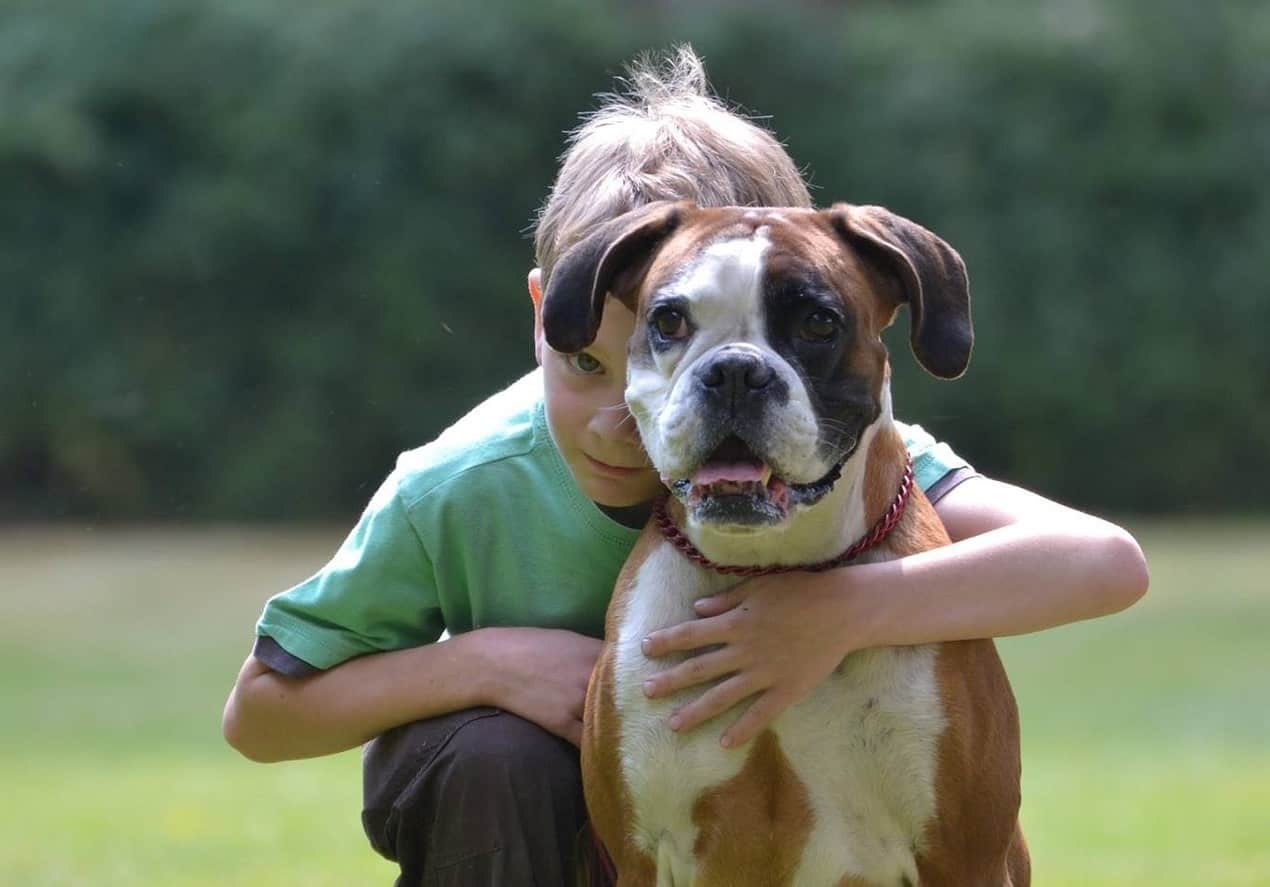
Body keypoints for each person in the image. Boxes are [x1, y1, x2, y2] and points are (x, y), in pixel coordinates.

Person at [222, 48, 1148, 886]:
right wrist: (492, 663)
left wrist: (836, 611)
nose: (720, 388)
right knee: (492, 760)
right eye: (652, 341)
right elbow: (259, 713)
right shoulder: (461, 481)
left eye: (809, 324)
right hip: (533, 820)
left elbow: (1105, 561)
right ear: (556, 314)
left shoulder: (883, 476)